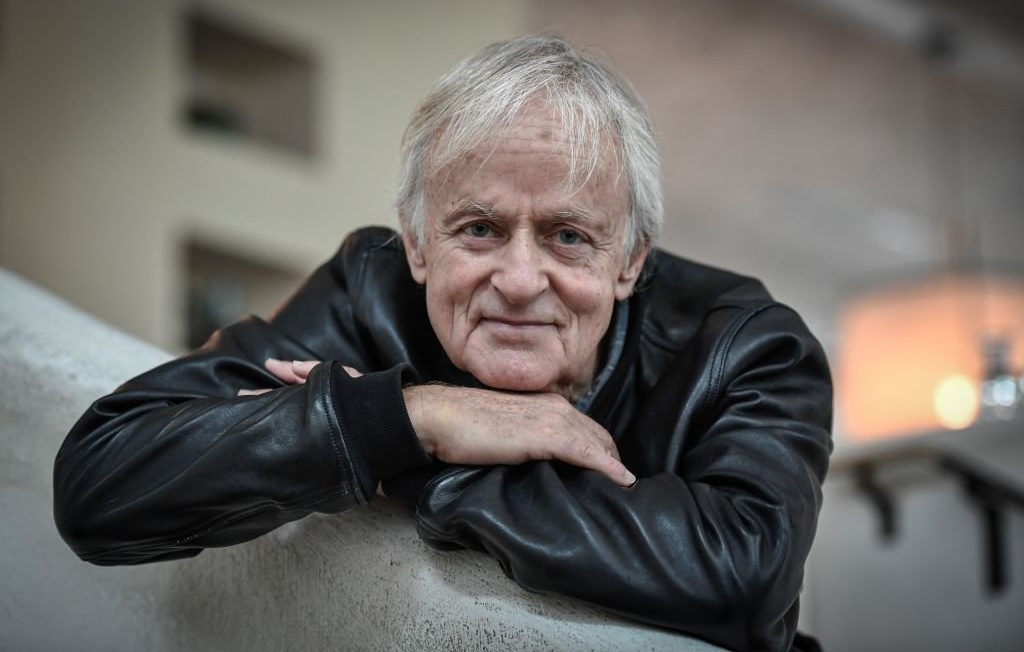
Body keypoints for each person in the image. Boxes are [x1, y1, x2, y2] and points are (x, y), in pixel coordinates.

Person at [54, 35, 832, 651]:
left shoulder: (749, 348)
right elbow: (103, 484)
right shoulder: (371, 291)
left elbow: (746, 581)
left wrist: (402, 458)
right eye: (480, 229)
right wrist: (420, 416)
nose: (521, 279)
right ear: (418, 244)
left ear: (630, 260)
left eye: (568, 236)